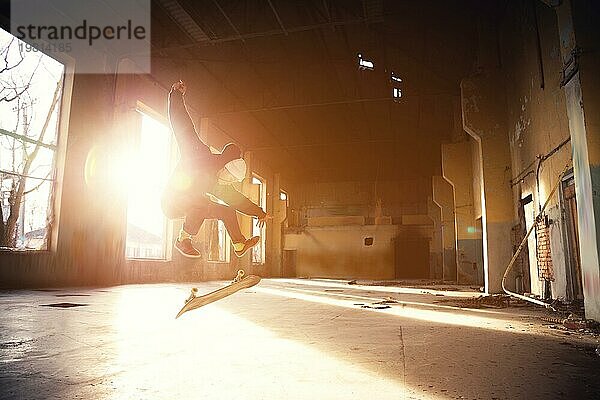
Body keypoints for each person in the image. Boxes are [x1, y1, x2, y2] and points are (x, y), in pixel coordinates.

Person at [161, 80, 268, 258]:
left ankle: (239, 244)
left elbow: (238, 200)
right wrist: (176, 95)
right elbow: (182, 125)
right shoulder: (197, 153)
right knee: (201, 202)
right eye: (229, 177)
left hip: (193, 206)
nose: (228, 182)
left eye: (233, 181)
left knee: (227, 210)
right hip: (172, 200)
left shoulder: (219, 183)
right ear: (224, 166)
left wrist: (259, 213)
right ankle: (183, 239)